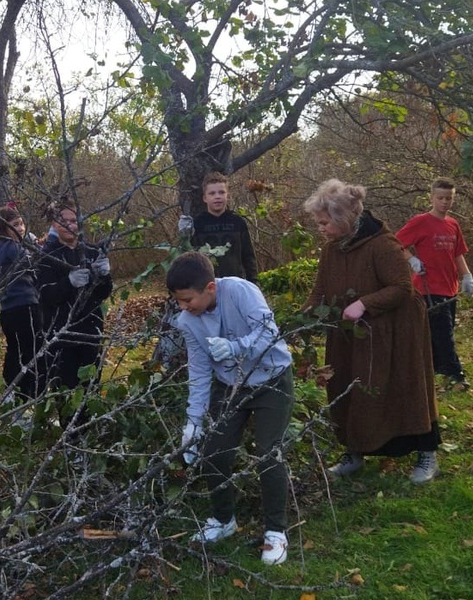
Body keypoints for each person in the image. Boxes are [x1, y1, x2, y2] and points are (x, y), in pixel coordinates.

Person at [301, 179, 441, 485]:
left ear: (342, 218)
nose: (320, 228)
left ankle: (427, 453)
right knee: (347, 386)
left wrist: (365, 303)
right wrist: (301, 319)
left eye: (324, 222)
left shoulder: (382, 244)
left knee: (406, 388)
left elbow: (403, 288)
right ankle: (354, 452)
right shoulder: (331, 250)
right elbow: (320, 291)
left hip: (396, 330)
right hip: (350, 332)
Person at [167, 251, 294, 565]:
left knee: (269, 452)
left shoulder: (239, 290)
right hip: (230, 386)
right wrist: (193, 422)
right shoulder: (187, 321)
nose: (183, 307)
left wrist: (236, 347)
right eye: (179, 302)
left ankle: (276, 531)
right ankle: (224, 520)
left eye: (187, 300)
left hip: (271, 379)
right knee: (215, 450)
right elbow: (198, 371)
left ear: (210, 288)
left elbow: (268, 331)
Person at [36, 202, 113, 432]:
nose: (70, 225)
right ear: (54, 224)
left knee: (91, 383)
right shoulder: (46, 257)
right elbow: (44, 295)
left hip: (90, 329)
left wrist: (104, 276)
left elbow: (103, 293)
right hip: (61, 333)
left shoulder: (91, 252)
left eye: (74, 220)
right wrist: (67, 283)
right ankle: (71, 439)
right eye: (64, 221)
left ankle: (89, 432)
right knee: (66, 386)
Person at [396, 177, 473, 391]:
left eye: (449, 198)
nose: (444, 202)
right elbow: (396, 244)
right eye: (440, 198)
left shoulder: (453, 224)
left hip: (449, 287)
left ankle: (427, 373)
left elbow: (458, 253)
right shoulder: (420, 221)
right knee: (444, 334)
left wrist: (467, 277)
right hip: (428, 289)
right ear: (432, 197)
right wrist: (412, 260)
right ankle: (456, 375)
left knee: (437, 333)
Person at [0, 207, 45, 402]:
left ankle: (13, 389)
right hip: (25, 303)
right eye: (15, 225)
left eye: (21, 223)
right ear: (4, 228)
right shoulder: (12, 247)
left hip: (8, 308)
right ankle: (31, 393)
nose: (21, 228)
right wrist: (37, 247)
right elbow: (34, 263)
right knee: (34, 350)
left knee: (15, 349)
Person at [186, 172, 258, 282]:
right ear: (205, 198)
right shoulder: (197, 224)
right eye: (212, 193)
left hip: (235, 283)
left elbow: (248, 256)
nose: (217, 197)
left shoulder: (237, 222)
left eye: (221, 192)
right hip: (206, 285)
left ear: (227, 195)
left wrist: (253, 282)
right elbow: (189, 256)